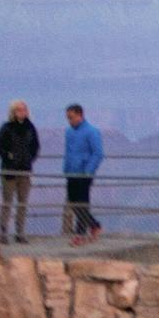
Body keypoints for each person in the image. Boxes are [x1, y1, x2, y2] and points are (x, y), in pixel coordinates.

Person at [0, 100, 39, 244]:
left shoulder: (30, 128)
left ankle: (20, 233)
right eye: (19, 109)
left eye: (24, 109)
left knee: (22, 203)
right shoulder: (7, 128)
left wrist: (29, 159)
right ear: (13, 112)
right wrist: (8, 156)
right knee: (7, 202)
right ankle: (3, 233)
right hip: (9, 171)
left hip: (25, 170)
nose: (22, 112)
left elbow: (35, 146)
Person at [62, 104, 104, 242]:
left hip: (84, 174)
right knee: (74, 203)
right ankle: (94, 225)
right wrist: (66, 169)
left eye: (72, 117)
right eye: (68, 118)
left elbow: (98, 153)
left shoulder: (91, 132)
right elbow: (68, 153)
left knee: (82, 203)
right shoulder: (69, 132)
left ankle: (80, 234)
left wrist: (88, 171)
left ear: (80, 115)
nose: (70, 120)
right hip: (72, 173)